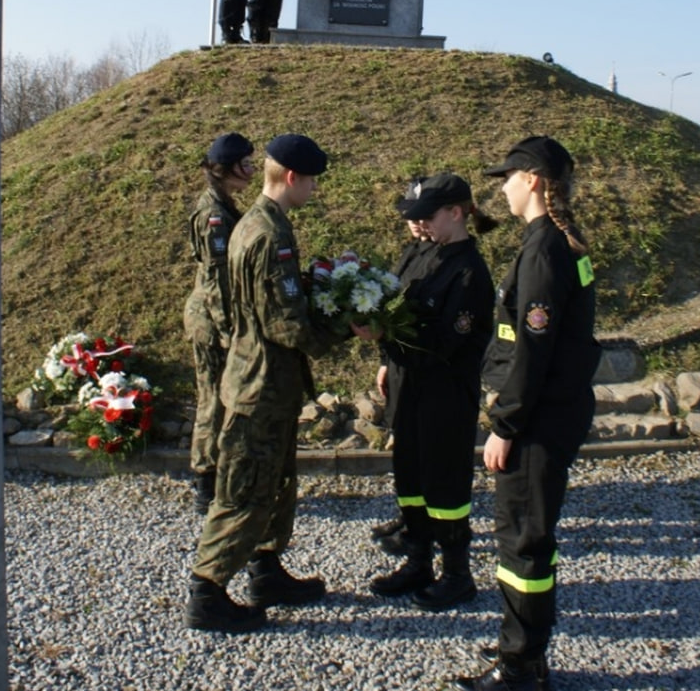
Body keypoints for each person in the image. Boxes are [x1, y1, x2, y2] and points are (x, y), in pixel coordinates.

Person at [185, 134, 370, 633]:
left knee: (277, 483)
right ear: (292, 178)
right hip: (258, 385)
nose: (313, 189)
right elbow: (284, 323)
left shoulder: (259, 222)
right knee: (245, 490)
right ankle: (208, 591)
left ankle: (267, 571)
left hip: (271, 383)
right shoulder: (269, 233)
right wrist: (344, 326)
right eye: (311, 181)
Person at [450, 136, 601, 691]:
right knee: (527, 538)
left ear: (533, 179)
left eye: (508, 177)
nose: (502, 188)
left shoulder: (543, 252)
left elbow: (534, 351)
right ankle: (526, 653)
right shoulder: (559, 242)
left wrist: (505, 426)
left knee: (523, 542)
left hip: (537, 419)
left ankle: (519, 667)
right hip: (553, 410)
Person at [371, 173, 497, 610]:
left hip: (443, 390)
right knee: (410, 474)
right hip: (409, 382)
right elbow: (394, 302)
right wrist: (387, 359)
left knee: (444, 483)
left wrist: (383, 335)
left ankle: (457, 573)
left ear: (457, 213)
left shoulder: (468, 272)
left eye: (428, 216)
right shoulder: (423, 253)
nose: (419, 224)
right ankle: (418, 559)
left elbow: (447, 340)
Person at [182, 132, 255, 515]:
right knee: (213, 399)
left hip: (218, 316)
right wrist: (229, 332)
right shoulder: (214, 213)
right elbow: (216, 280)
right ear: (226, 169)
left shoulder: (223, 204)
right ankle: (205, 481)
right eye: (244, 164)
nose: (251, 171)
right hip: (213, 321)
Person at [371, 177, 436, 554]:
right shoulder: (411, 252)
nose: (413, 221)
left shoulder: (440, 257)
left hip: (422, 372)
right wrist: (384, 361)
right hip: (400, 367)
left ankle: (422, 525)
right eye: (407, 215)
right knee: (405, 452)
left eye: (420, 215)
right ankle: (408, 516)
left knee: (422, 454)